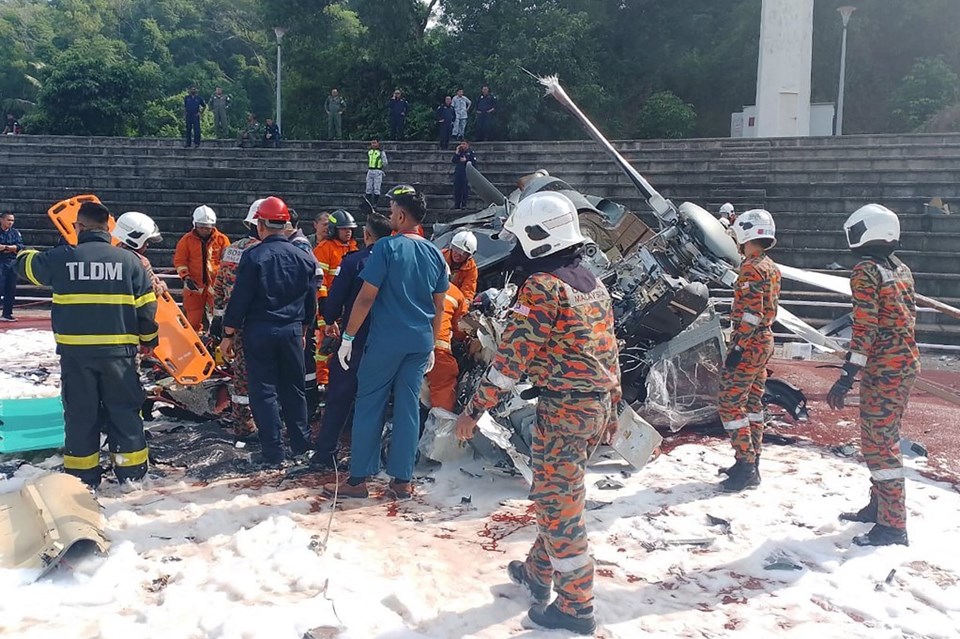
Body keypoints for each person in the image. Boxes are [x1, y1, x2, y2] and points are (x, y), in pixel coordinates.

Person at [453, 192, 621, 636]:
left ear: (537, 238)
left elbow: (511, 360)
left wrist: (473, 410)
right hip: (594, 406)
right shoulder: (590, 281)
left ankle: (576, 606)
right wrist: (615, 408)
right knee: (557, 491)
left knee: (560, 508)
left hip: (565, 410)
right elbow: (609, 350)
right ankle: (536, 572)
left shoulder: (543, 287)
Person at [15, 202, 158, 488]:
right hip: (120, 355)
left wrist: (51, 249)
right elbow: (146, 308)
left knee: (81, 414)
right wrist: (148, 342)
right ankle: (131, 476)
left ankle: (83, 478)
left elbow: (24, 265)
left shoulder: (62, 258)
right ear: (108, 229)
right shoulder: (130, 262)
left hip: (76, 356)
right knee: (125, 412)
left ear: (78, 227)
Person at [323, 185, 448, 499]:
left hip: (386, 341)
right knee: (408, 408)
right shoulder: (435, 252)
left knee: (369, 405)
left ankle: (357, 481)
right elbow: (440, 305)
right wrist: (432, 343)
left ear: (402, 215)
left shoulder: (386, 248)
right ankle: (401, 481)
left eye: (392, 211)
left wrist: (348, 337)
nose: (389, 216)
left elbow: (366, 298)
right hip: (419, 342)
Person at [828, 204, 920, 547]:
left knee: (880, 445)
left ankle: (893, 526)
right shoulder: (901, 269)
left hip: (884, 367)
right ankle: (880, 507)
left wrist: (847, 374)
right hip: (903, 362)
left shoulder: (865, 270)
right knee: (881, 436)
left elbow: (865, 326)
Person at [221, 197, 317, 468]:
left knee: (263, 392)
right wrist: (305, 328)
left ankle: (273, 452)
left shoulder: (254, 256)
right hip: (292, 331)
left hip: (259, 331)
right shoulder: (303, 256)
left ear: (261, 225)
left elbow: (241, 298)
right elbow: (311, 299)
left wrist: (228, 333)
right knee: (294, 389)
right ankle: (301, 444)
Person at [312, 214, 392, 469]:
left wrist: (331, 319)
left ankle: (325, 453)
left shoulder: (354, 262)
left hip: (355, 341)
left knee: (339, 397)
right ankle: (372, 458)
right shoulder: (400, 261)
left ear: (366, 236)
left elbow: (334, 302)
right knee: (378, 402)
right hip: (389, 343)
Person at [717, 209, 780, 493]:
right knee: (753, 403)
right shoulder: (770, 266)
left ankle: (745, 464)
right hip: (764, 340)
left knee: (730, 403)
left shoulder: (751, 268)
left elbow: (751, 313)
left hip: (751, 342)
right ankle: (751, 461)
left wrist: (738, 345)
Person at [211, 200, 264, 440]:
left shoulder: (231, 249)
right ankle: (267, 422)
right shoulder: (265, 251)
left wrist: (220, 323)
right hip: (261, 322)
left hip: (235, 324)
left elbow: (220, 288)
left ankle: (243, 425)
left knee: (242, 378)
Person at [313, 209, 359, 389]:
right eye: (343, 229)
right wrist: (325, 307)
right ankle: (322, 381)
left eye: (350, 229)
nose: (348, 232)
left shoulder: (353, 249)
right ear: (334, 230)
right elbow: (320, 280)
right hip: (328, 307)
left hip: (346, 307)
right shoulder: (324, 249)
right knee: (324, 346)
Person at [286, 208, 322, 416]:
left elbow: (315, 279)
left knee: (304, 359)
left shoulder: (299, 245)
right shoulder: (296, 243)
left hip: (301, 314)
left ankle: (309, 403)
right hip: (302, 312)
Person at [174, 205, 231, 331]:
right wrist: (186, 277)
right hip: (194, 286)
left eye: (207, 227)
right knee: (192, 321)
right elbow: (180, 260)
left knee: (219, 318)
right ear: (195, 225)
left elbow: (228, 262)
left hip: (216, 287)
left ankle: (216, 343)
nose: (205, 230)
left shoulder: (222, 240)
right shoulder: (186, 241)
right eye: (202, 227)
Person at [424, 282, 468, 412]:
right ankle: (440, 425)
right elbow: (460, 328)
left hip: (402, 343)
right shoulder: (455, 293)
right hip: (437, 349)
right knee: (444, 379)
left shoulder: (412, 282)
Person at [111, 212, 166, 296]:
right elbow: (151, 291)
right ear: (136, 238)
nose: (147, 244)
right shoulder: (141, 262)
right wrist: (162, 286)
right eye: (146, 241)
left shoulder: (108, 255)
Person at [442, 230, 479, 302]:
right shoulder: (440, 257)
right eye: (456, 250)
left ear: (469, 256)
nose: (458, 255)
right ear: (451, 247)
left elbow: (467, 292)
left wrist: (464, 306)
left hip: (453, 301)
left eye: (463, 253)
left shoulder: (471, 269)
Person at [1, 212, 24, 321]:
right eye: (8, 220)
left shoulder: (15, 233)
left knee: (10, 289)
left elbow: (19, 246)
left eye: (12, 220)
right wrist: (11, 248)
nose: (10, 222)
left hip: (11, 263)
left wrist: (5, 247)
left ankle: (7, 314)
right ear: (2, 220)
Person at [452, 141, 477, 209]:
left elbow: (474, 162)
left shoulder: (470, 152)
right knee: (457, 189)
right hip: (458, 173)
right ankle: (456, 204)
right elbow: (453, 160)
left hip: (466, 173)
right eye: (461, 144)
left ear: (467, 145)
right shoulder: (460, 152)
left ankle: (464, 204)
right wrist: (457, 153)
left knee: (464, 189)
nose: (462, 145)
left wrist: (466, 160)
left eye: (464, 144)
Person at [365, 140, 389, 208]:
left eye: (375, 143)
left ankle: (375, 204)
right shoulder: (370, 152)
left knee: (376, 188)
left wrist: (380, 166)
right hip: (370, 170)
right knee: (368, 188)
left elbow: (385, 162)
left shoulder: (381, 152)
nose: (373, 144)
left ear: (378, 144)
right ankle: (368, 203)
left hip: (377, 171)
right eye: (372, 143)